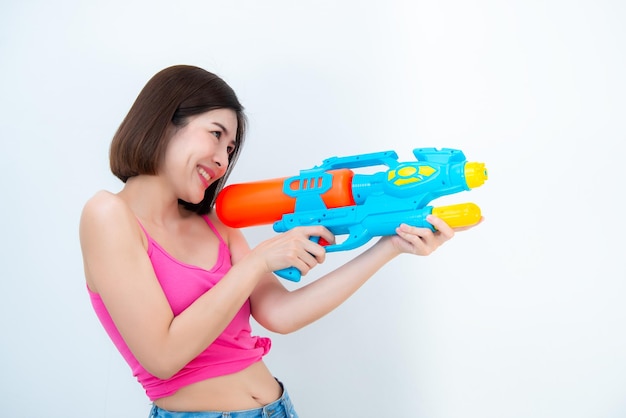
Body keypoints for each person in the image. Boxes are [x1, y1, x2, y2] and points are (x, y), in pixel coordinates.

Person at [79, 65, 477, 418]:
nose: (222, 160)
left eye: (230, 148)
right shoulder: (108, 215)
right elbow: (162, 356)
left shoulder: (218, 224)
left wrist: (389, 247)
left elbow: (281, 314)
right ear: (163, 122)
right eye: (215, 135)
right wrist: (256, 263)